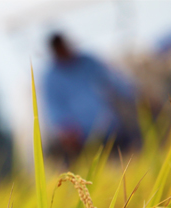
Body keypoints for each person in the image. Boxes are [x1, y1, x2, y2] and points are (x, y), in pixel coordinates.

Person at [44, 33, 139, 163]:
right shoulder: (51, 78)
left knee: (130, 158)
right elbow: (55, 110)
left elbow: (116, 82)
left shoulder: (89, 62)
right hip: (83, 140)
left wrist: (136, 96)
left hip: (112, 127)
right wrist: (66, 130)